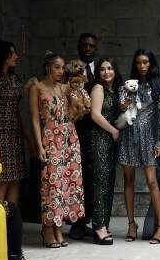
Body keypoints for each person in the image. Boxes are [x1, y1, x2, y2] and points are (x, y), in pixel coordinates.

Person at [29, 52, 85, 248]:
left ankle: (59, 227)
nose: (61, 71)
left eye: (63, 68)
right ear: (47, 68)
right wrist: (39, 145)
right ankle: (47, 228)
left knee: (67, 184)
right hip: (51, 138)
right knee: (52, 184)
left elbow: (78, 108)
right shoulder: (37, 88)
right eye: (57, 67)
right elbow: (35, 119)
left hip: (70, 137)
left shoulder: (65, 88)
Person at [118, 49, 160, 244]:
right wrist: (125, 103)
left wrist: (159, 141)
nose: (142, 66)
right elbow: (122, 109)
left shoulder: (159, 85)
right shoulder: (127, 87)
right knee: (128, 180)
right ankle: (131, 224)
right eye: (138, 62)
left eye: (146, 62)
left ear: (151, 63)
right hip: (128, 136)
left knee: (151, 181)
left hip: (149, 138)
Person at [0, 41, 31, 205]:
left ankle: (10, 227)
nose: (16, 56)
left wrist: (28, 139)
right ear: (3, 56)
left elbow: (18, 110)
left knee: (15, 181)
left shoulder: (13, 78)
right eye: (12, 53)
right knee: (1, 182)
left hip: (14, 136)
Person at [89, 57, 122, 245]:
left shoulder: (113, 90)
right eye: (102, 69)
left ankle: (104, 223)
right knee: (100, 182)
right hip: (99, 138)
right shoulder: (98, 88)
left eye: (109, 68)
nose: (106, 72)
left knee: (108, 181)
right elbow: (95, 114)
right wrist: (113, 130)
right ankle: (99, 227)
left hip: (110, 140)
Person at [71, 33, 98, 240]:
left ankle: (88, 220)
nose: (88, 48)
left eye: (91, 45)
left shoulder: (102, 69)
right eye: (84, 45)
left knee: (92, 176)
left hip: (97, 130)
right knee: (77, 176)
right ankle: (77, 223)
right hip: (77, 128)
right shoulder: (70, 70)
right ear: (79, 47)